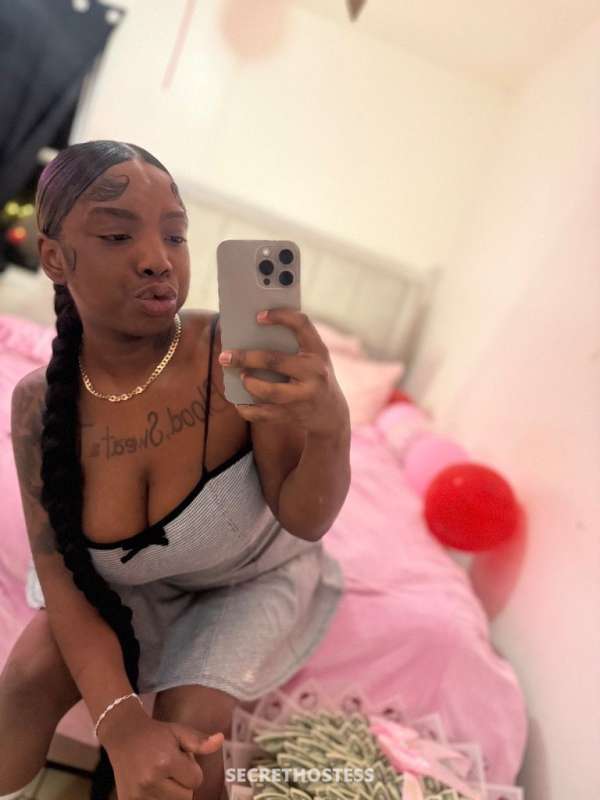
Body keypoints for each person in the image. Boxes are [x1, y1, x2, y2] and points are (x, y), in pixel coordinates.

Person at [0, 140, 351, 800]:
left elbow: (304, 518)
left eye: (176, 235)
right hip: (127, 585)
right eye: (117, 235)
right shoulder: (38, 407)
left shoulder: (233, 355)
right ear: (53, 257)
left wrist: (331, 424)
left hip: (248, 579)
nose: (158, 259)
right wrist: (120, 724)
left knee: (195, 731)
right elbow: (65, 583)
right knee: (22, 681)